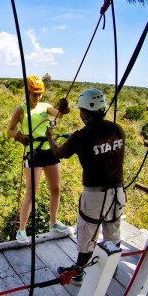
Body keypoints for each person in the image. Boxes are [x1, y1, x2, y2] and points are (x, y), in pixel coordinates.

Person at [47, 88, 126, 285]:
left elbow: (59, 153)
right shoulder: (117, 129)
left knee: (87, 235)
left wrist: (50, 137)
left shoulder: (81, 136)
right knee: (112, 231)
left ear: (85, 112)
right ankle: (111, 268)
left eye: (81, 110)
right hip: (117, 192)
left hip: (94, 195)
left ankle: (79, 273)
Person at [6, 75, 71, 243]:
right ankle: (21, 230)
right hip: (32, 151)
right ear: (27, 93)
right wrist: (20, 137)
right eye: (34, 94)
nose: (37, 97)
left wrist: (63, 109)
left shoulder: (45, 107)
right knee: (31, 191)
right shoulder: (20, 110)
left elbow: (59, 115)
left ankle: (53, 222)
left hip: (48, 149)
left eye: (40, 93)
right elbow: (10, 130)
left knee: (56, 188)